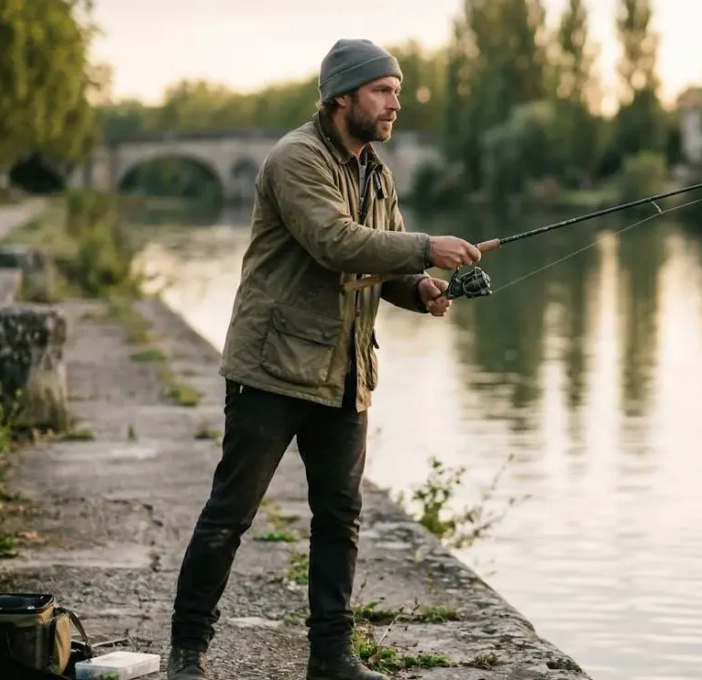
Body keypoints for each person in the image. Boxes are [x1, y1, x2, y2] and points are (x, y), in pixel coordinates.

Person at [165, 39, 482, 680]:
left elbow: (374, 261)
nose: (397, 103)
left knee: (341, 518)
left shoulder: (375, 170)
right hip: (272, 368)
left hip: (344, 372)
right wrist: (426, 248)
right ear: (343, 96)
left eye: (396, 90)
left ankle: (331, 659)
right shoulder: (295, 159)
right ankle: (186, 651)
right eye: (383, 91)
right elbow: (337, 242)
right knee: (231, 514)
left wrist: (417, 290)